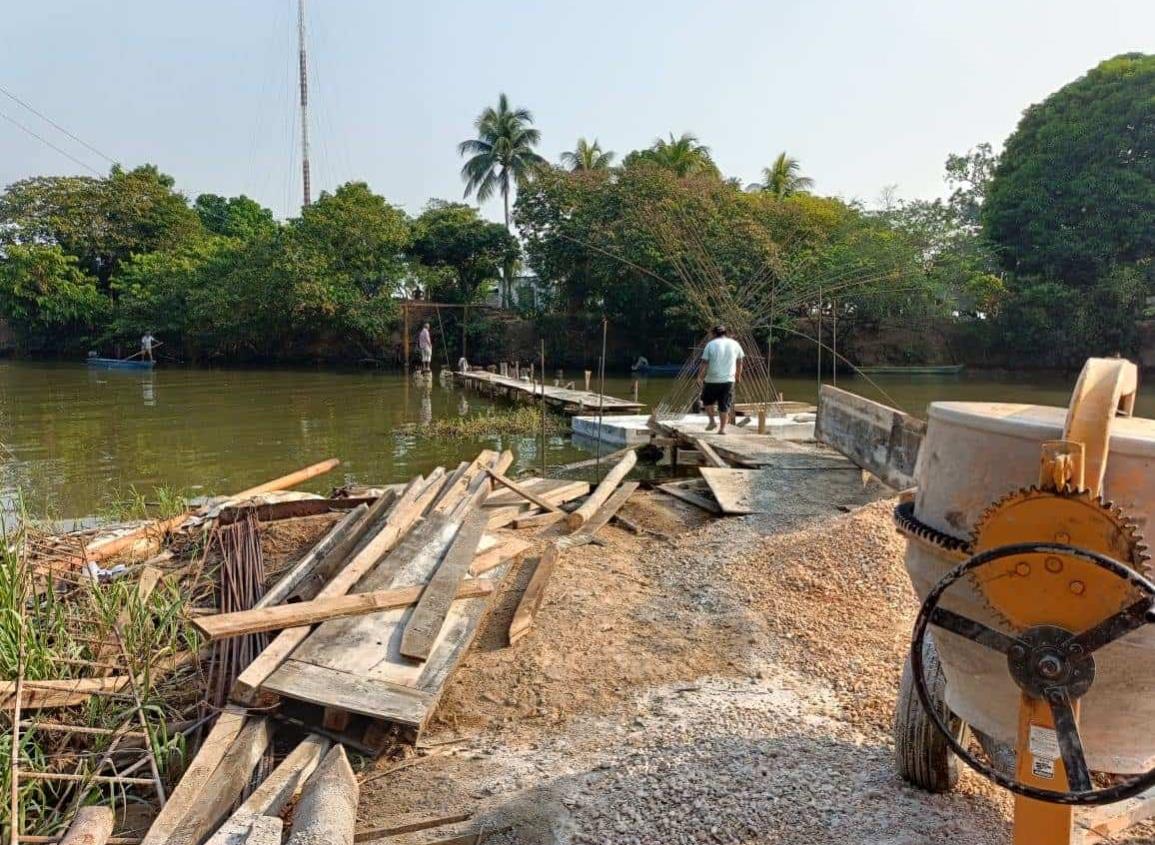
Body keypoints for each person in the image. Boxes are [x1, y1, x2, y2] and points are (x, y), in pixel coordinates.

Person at [696, 324, 744, 434]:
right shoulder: (735, 344)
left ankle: (712, 421)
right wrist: (738, 375)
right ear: (725, 333)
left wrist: (699, 377)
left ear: (713, 334)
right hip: (728, 380)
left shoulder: (710, 345)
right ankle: (722, 429)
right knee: (724, 405)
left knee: (707, 401)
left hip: (712, 379)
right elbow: (740, 361)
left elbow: (704, 362)